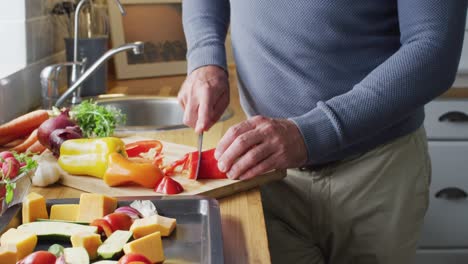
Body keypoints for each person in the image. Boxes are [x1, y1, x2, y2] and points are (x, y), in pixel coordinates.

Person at [177, 1, 468, 263]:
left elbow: (434, 48)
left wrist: (310, 133)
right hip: (266, 174)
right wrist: (204, 57)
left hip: (376, 173)